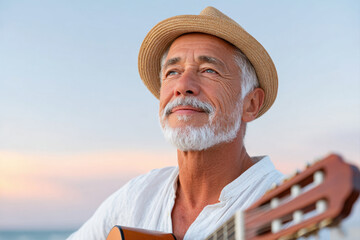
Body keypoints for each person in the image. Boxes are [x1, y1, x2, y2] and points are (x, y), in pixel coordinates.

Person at [67, 6, 283, 240]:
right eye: (172, 72)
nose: (183, 85)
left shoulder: (284, 206)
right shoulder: (137, 198)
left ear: (250, 103)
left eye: (209, 70)